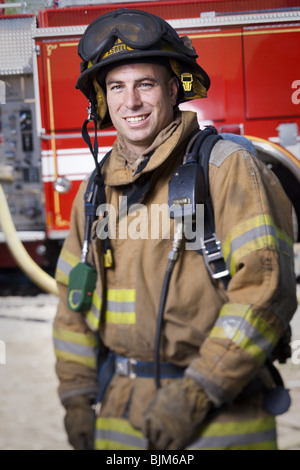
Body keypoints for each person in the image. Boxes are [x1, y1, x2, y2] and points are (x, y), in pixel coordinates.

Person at [53, 8, 297, 450]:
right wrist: (75, 397)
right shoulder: (95, 189)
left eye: (145, 84)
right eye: (116, 87)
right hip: (118, 419)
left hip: (218, 424)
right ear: (102, 102)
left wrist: (197, 392)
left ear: (172, 89)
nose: (131, 102)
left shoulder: (226, 168)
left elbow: (265, 291)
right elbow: (73, 302)